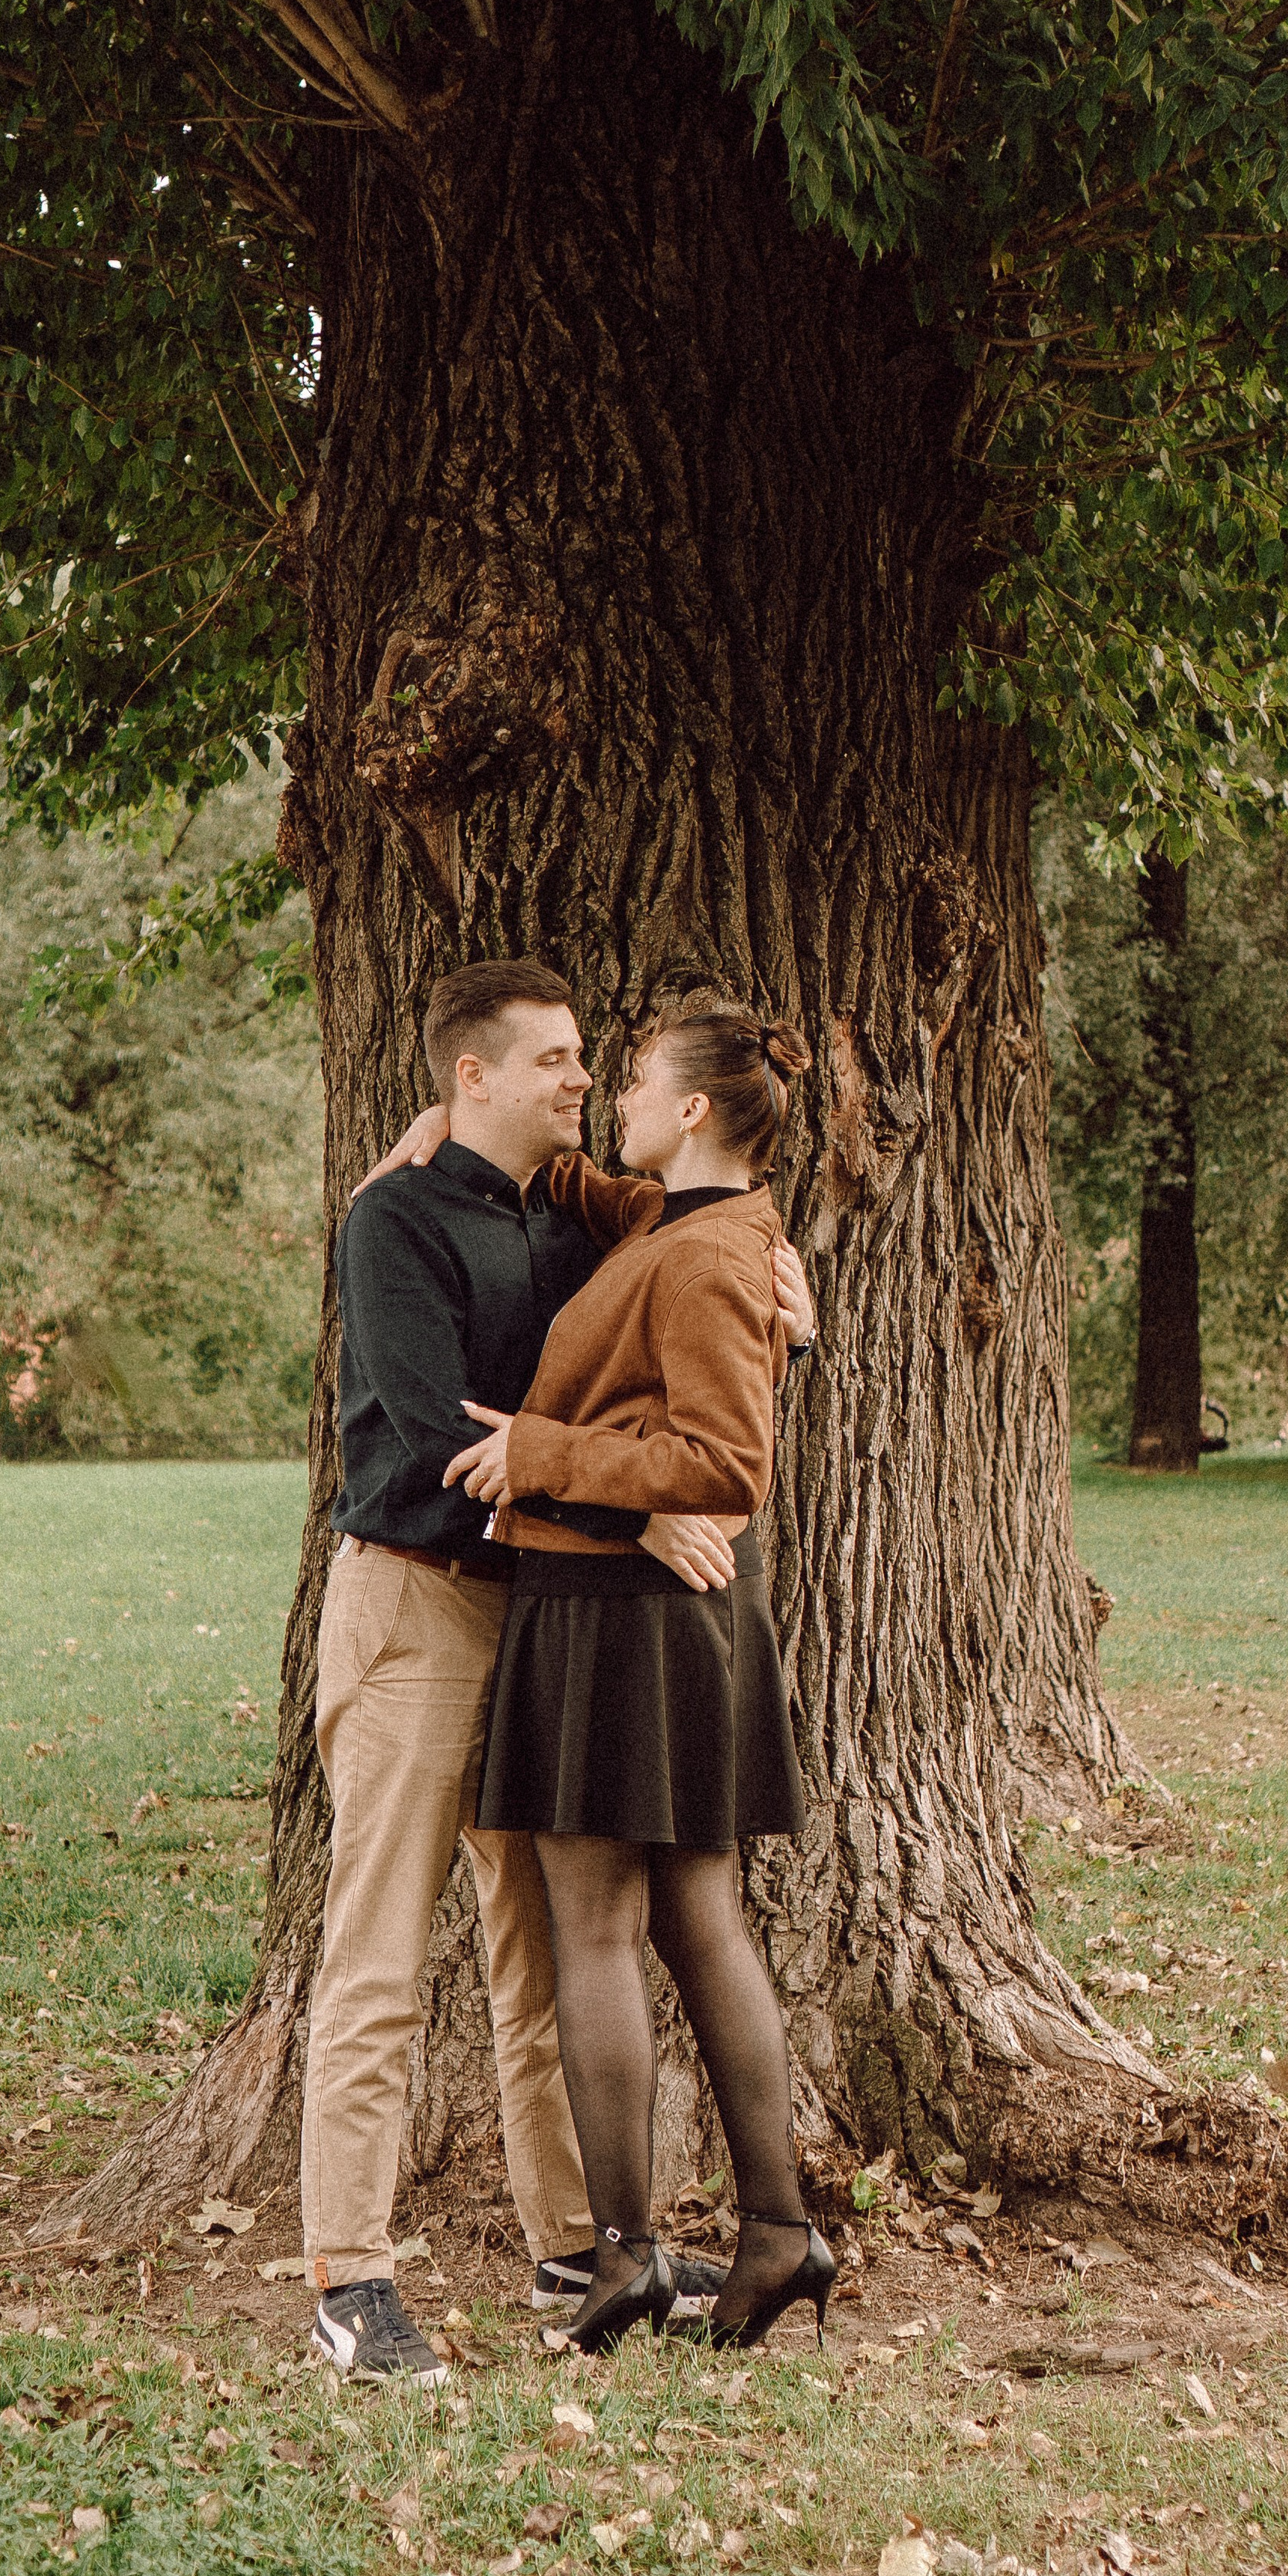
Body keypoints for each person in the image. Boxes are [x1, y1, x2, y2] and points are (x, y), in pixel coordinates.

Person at [304, 960, 814, 2388]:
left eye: (597, 1060)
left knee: (543, 1958)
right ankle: (349, 2277)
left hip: (546, 1619)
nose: (583, 1081)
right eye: (555, 1061)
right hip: (416, 1611)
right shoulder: (395, 1221)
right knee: (381, 1957)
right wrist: (633, 1504)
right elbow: (429, 1434)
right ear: (472, 1078)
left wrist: (786, 1293)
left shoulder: (593, 1217)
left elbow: (681, 1325)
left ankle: (584, 2247)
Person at [443, 1002, 836, 2355]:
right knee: (688, 1919)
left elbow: (728, 1470)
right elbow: (584, 1180)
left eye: (637, 1083)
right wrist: (451, 1127)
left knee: (605, 1927)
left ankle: (630, 2256)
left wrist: (545, 1454)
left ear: (694, 1114)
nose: (609, 1094)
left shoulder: (717, 1253)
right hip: (635, 1612)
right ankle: (773, 2234)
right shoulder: (676, 1221)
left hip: (625, 1615)